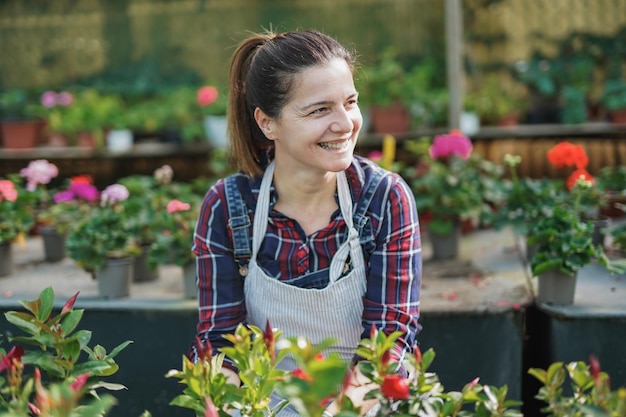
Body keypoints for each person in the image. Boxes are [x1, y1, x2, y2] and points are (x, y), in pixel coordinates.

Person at [189, 29, 422, 416]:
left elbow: (391, 340)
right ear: (267, 123)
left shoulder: (384, 199)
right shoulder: (228, 208)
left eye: (350, 102)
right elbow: (219, 342)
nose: (345, 124)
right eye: (319, 110)